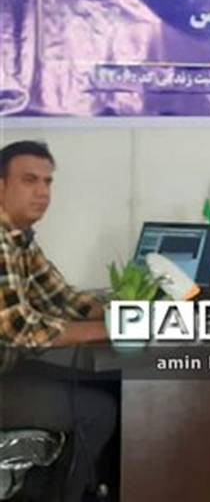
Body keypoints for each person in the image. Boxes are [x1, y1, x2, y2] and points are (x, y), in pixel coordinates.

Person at [0, 140, 117, 502]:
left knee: (110, 391)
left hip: (8, 372)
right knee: (97, 411)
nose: (42, 192)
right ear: (1, 185)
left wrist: (125, 313)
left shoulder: (19, 238)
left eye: (47, 182)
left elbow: (63, 299)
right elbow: (21, 329)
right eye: (29, 180)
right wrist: (111, 328)